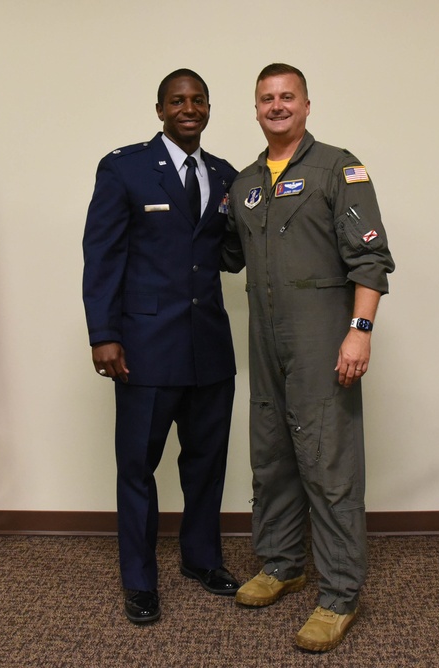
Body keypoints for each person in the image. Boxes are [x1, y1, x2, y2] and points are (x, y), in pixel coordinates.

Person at [223, 63, 395, 652]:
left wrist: (360, 330)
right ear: (255, 108)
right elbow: (221, 252)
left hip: (322, 333)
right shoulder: (244, 183)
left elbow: (371, 261)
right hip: (266, 340)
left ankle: (340, 595)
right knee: (271, 454)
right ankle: (281, 563)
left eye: (286, 96)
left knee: (329, 463)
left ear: (306, 105)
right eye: (266, 98)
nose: (277, 105)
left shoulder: (339, 169)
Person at [82, 68, 241, 625]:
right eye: (178, 100)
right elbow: (102, 257)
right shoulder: (124, 169)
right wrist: (104, 335)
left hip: (210, 351)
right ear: (160, 109)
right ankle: (140, 580)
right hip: (145, 350)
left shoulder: (225, 175)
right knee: (138, 468)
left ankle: (201, 559)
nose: (188, 108)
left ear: (208, 108)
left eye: (198, 100)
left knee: (206, 466)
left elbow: (230, 252)